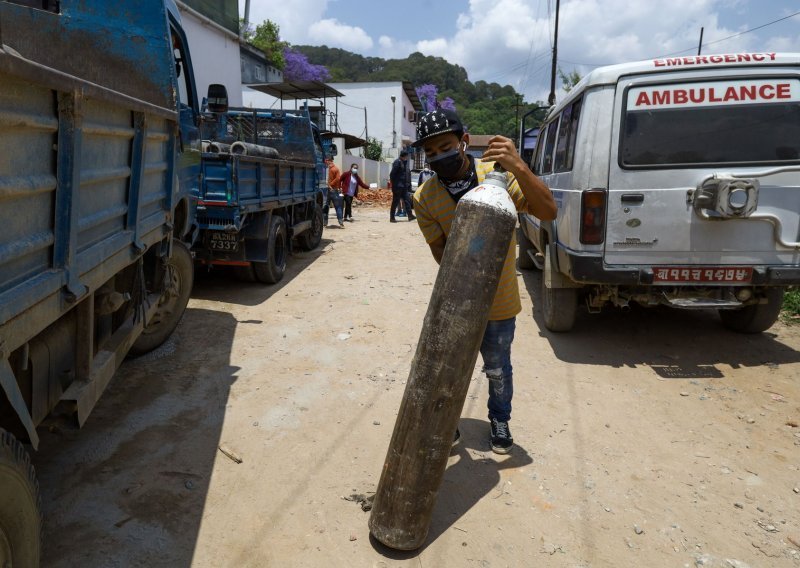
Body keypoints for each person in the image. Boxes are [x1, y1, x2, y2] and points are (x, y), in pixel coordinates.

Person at [411, 109, 557, 454]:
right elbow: (440, 253)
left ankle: (500, 418)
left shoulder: (498, 176)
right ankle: (447, 424)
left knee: (497, 368)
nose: (438, 157)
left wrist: (519, 165)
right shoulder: (425, 198)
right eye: (430, 153)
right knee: (447, 369)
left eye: (445, 147)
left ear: (463, 142)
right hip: (456, 300)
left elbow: (548, 211)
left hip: (500, 301)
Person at [389, 149, 415, 222]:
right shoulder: (397, 162)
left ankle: (410, 215)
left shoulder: (403, 162)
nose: (407, 157)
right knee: (395, 201)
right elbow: (392, 174)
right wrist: (394, 184)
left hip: (403, 186)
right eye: (407, 156)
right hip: (398, 186)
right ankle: (392, 217)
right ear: (405, 156)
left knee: (407, 200)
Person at [324, 157, 345, 227]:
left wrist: (330, 184)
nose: (325, 162)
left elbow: (338, 178)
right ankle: (339, 222)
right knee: (332, 206)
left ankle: (326, 222)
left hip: (331, 190)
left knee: (331, 206)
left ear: (330, 161)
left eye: (326, 160)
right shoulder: (331, 169)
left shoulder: (332, 169)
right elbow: (337, 179)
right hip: (330, 190)